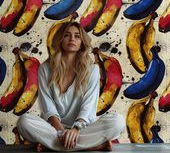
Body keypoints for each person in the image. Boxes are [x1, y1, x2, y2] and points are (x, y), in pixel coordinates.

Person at [17, 21, 125, 152]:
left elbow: (89, 106)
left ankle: (52, 146)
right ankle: (93, 146)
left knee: (117, 122)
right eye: (67, 35)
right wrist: (62, 132)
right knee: (24, 121)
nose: (72, 39)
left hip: (82, 128)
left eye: (77, 36)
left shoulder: (92, 70)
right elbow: (48, 107)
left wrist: (76, 129)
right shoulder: (45, 68)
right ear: (60, 40)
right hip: (53, 128)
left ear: (82, 43)